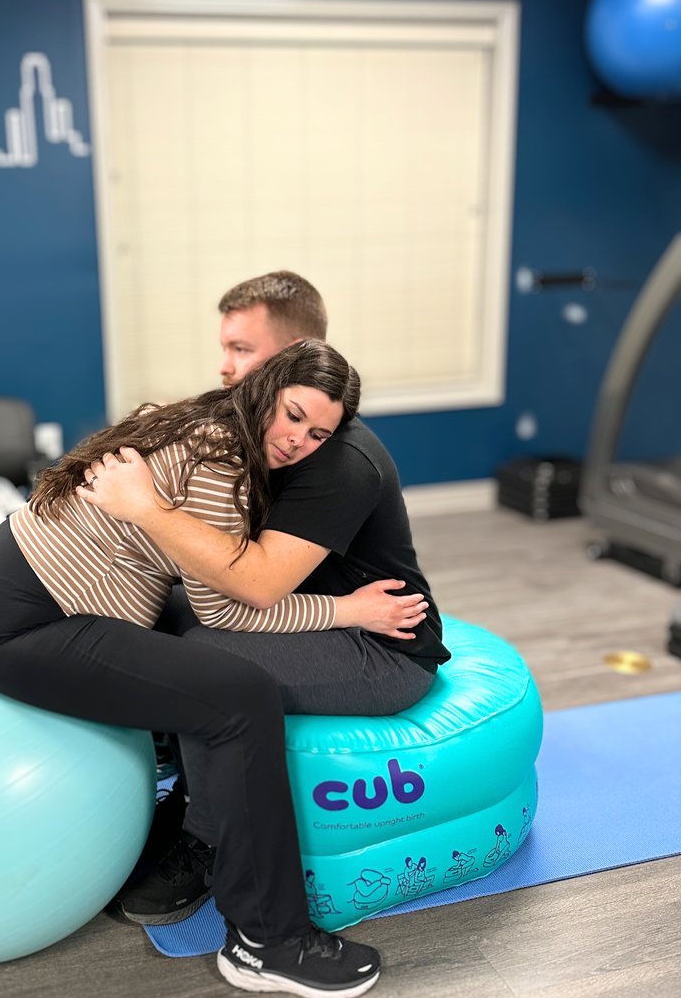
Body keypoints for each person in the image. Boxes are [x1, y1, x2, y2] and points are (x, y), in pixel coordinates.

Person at [0, 341, 425, 998]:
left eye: (319, 433)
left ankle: (191, 836)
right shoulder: (220, 461)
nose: (298, 441)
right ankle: (268, 941)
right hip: (23, 621)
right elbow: (238, 610)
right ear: (266, 389)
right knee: (237, 695)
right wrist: (347, 609)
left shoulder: (207, 424)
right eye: (292, 415)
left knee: (210, 674)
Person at [77, 270, 450, 927]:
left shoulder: (340, 459)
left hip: (379, 648)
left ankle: (204, 836)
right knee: (162, 616)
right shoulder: (248, 415)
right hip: (300, 622)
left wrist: (146, 505)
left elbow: (254, 582)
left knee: (201, 658)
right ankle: (174, 769)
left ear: (294, 354)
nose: (224, 367)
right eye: (225, 348)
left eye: (242, 350)